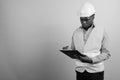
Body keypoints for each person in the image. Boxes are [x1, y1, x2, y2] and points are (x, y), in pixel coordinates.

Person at [63, 2, 111, 80]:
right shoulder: (76, 32)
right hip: (80, 71)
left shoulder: (101, 30)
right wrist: (67, 50)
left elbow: (106, 53)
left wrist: (91, 60)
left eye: (86, 19)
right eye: (81, 19)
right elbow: (74, 50)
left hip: (96, 72)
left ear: (93, 17)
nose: (83, 22)